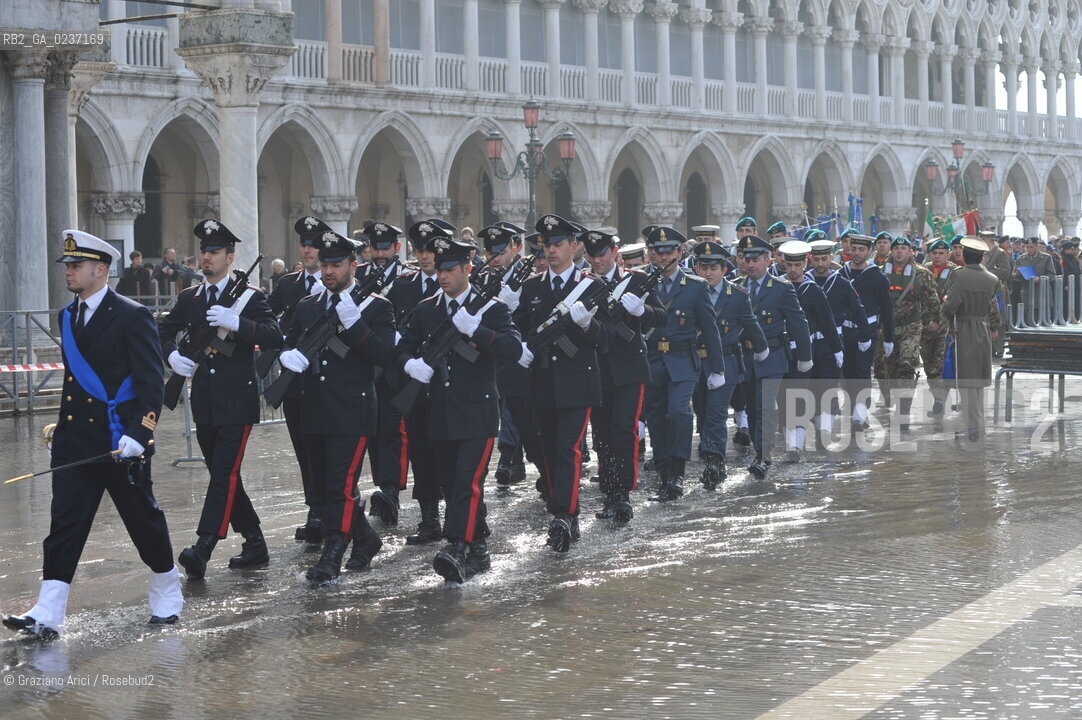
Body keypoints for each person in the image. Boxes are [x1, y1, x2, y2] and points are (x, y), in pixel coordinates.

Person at [4, 231, 183, 639]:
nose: (68, 272)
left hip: (121, 441)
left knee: (142, 520)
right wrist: (61, 426)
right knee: (65, 523)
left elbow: (151, 382)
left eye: (76, 266)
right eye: (67, 266)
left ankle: (166, 587)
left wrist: (141, 432)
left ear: (100, 271)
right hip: (75, 442)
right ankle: (47, 612)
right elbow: (76, 382)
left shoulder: (132, 315)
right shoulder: (68, 316)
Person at [159, 219, 282, 580]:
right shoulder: (190, 298)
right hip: (206, 401)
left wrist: (239, 323)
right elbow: (162, 329)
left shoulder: (250, 298)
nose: (206, 257)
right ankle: (255, 541)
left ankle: (205, 545)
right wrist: (171, 356)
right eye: (203, 251)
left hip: (237, 400)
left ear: (230, 257)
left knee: (224, 474)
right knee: (222, 475)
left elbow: (275, 336)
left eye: (214, 252)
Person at [397, 235, 523, 581]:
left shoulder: (491, 308)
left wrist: (478, 331)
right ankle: (479, 547)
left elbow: (513, 349)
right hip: (439, 411)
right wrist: (411, 365)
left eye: (450, 269)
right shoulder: (427, 309)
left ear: (468, 268)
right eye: (439, 269)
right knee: (452, 484)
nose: (443, 276)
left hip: (478, 413)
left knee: (468, 482)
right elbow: (403, 346)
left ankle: (457, 545)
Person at [277, 230, 392, 582]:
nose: (328, 271)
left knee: (340, 486)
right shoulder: (309, 306)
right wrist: (288, 356)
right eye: (324, 264)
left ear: (353, 266)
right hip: (314, 408)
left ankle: (333, 551)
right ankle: (366, 538)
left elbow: (385, 355)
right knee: (325, 486)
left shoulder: (375, 306)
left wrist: (355, 326)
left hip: (352, 411)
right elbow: (289, 340)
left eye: (336, 264)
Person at [513, 214, 604, 552]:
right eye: (546, 245)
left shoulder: (590, 285)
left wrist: (586, 326)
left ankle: (563, 515)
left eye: (557, 244)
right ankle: (566, 510)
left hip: (578, 382)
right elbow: (519, 327)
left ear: (573, 246)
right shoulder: (532, 287)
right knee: (547, 451)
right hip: (541, 382)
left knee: (568, 449)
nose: (551, 250)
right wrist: (519, 347)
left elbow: (605, 338)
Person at [581, 229, 665, 522]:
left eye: (602, 253)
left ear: (614, 251)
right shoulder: (582, 284)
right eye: (591, 255)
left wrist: (642, 311)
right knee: (602, 434)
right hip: (596, 368)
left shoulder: (637, 280)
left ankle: (624, 493)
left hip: (629, 368)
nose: (597, 259)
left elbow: (661, 315)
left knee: (624, 430)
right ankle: (609, 493)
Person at [641, 226, 725, 500]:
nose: (662, 257)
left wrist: (718, 368)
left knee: (679, 412)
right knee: (655, 416)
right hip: (651, 359)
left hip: (683, 360)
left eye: (668, 252)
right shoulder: (641, 282)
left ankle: (677, 471)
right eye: (656, 252)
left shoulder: (695, 286)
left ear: (679, 253)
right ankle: (664, 471)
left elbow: (710, 329)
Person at [731, 235, 812, 482]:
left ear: (768, 260)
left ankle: (763, 458)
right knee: (751, 407)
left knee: (765, 405)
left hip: (773, 357)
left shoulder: (781, 288)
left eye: (756, 259)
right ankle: (760, 449)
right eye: (746, 259)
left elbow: (799, 323)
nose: (750, 264)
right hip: (743, 357)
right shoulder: (734, 286)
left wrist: (805, 357)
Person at [267, 216, 327, 543]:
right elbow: (266, 316)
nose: (307, 250)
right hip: (294, 382)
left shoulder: (336, 285)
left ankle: (333, 509)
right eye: (303, 244)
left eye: (313, 245)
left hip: (325, 381)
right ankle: (314, 508)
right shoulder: (289, 284)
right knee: (303, 448)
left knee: (325, 449)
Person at [389, 219, 449, 546]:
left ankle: (463, 516)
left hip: (448, 384)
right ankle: (429, 519)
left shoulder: (454, 283)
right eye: (419, 250)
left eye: (430, 249)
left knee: (450, 449)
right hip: (414, 382)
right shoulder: (403, 286)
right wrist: (406, 359)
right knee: (420, 452)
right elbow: (396, 329)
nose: (424, 256)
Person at [690, 240, 767, 488]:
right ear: (696, 268)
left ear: (724, 269)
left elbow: (751, 324)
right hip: (695, 362)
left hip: (727, 361)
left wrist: (762, 348)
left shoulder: (736, 296)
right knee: (701, 410)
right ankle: (708, 450)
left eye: (714, 268)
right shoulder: (688, 293)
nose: (708, 273)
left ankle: (715, 462)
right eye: (703, 267)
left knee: (717, 412)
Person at [355, 222, 413, 526]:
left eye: (385, 248)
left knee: (393, 431)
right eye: (374, 248)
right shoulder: (359, 277)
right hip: (364, 365)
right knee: (372, 432)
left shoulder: (408, 279)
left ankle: (391, 490)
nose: (379, 254)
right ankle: (382, 486)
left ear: (396, 248)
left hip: (393, 366)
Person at [777, 239, 840, 461]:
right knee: (782, 398)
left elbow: (827, 322)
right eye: (789, 265)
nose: (793, 270)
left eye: (797, 265)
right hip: (779, 352)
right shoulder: (776, 287)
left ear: (806, 263)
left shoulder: (812, 290)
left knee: (798, 396)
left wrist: (837, 349)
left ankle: (795, 446)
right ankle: (792, 441)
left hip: (804, 352)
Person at [873, 235, 939, 429]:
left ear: (910, 251)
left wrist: (933, 320)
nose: (899, 252)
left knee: (907, 366)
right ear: (891, 251)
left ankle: (904, 412)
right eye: (896, 249)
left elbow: (932, 298)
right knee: (890, 369)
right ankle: (895, 401)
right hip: (887, 328)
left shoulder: (922, 274)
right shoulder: (878, 273)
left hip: (912, 325)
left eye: (904, 249)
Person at [807, 238, 870, 435]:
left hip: (832, 343)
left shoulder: (841, 283)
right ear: (810, 259)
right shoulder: (804, 282)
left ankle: (825, 428)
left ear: (831, 258)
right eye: (816, 259)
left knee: (828, 384)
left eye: (824, 259)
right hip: (808, 343)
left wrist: (865, 335)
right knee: (810, 386)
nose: (819, 264)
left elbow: (857, 310)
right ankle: (818, 423)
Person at [941, 238, 1001, 443]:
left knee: (966, 381)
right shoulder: (993, 278)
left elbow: (951, 306)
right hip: (983, 330)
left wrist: (945, 308)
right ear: (983, 257)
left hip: (964, 329)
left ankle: (971, 427)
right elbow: (993, 307)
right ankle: (978, 425)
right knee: (978, 382)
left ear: (964, 256)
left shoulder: (959, 275)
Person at [838, 234, 895, 430]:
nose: (856, 253)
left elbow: (886, 309)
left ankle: (859, 414)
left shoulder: (877, 277)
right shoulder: (842, 274)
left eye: (861, 250)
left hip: (867, 330)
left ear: (869, 251)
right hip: (845, 330)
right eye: (853, 249)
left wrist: (889, 338)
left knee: (862, 371)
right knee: (848, 372)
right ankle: (855, 409)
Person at [920, 238, 957, 414]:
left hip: (945, 325)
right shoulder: (923, 270)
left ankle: (940, 400)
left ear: (948, 254)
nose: (937, 256)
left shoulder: (954, 272)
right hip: (924, 323)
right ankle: (937, 396)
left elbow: (954, 299)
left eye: (941, 253)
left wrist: (941, 319)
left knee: (940, 362)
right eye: (934, 253)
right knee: (928, 364)